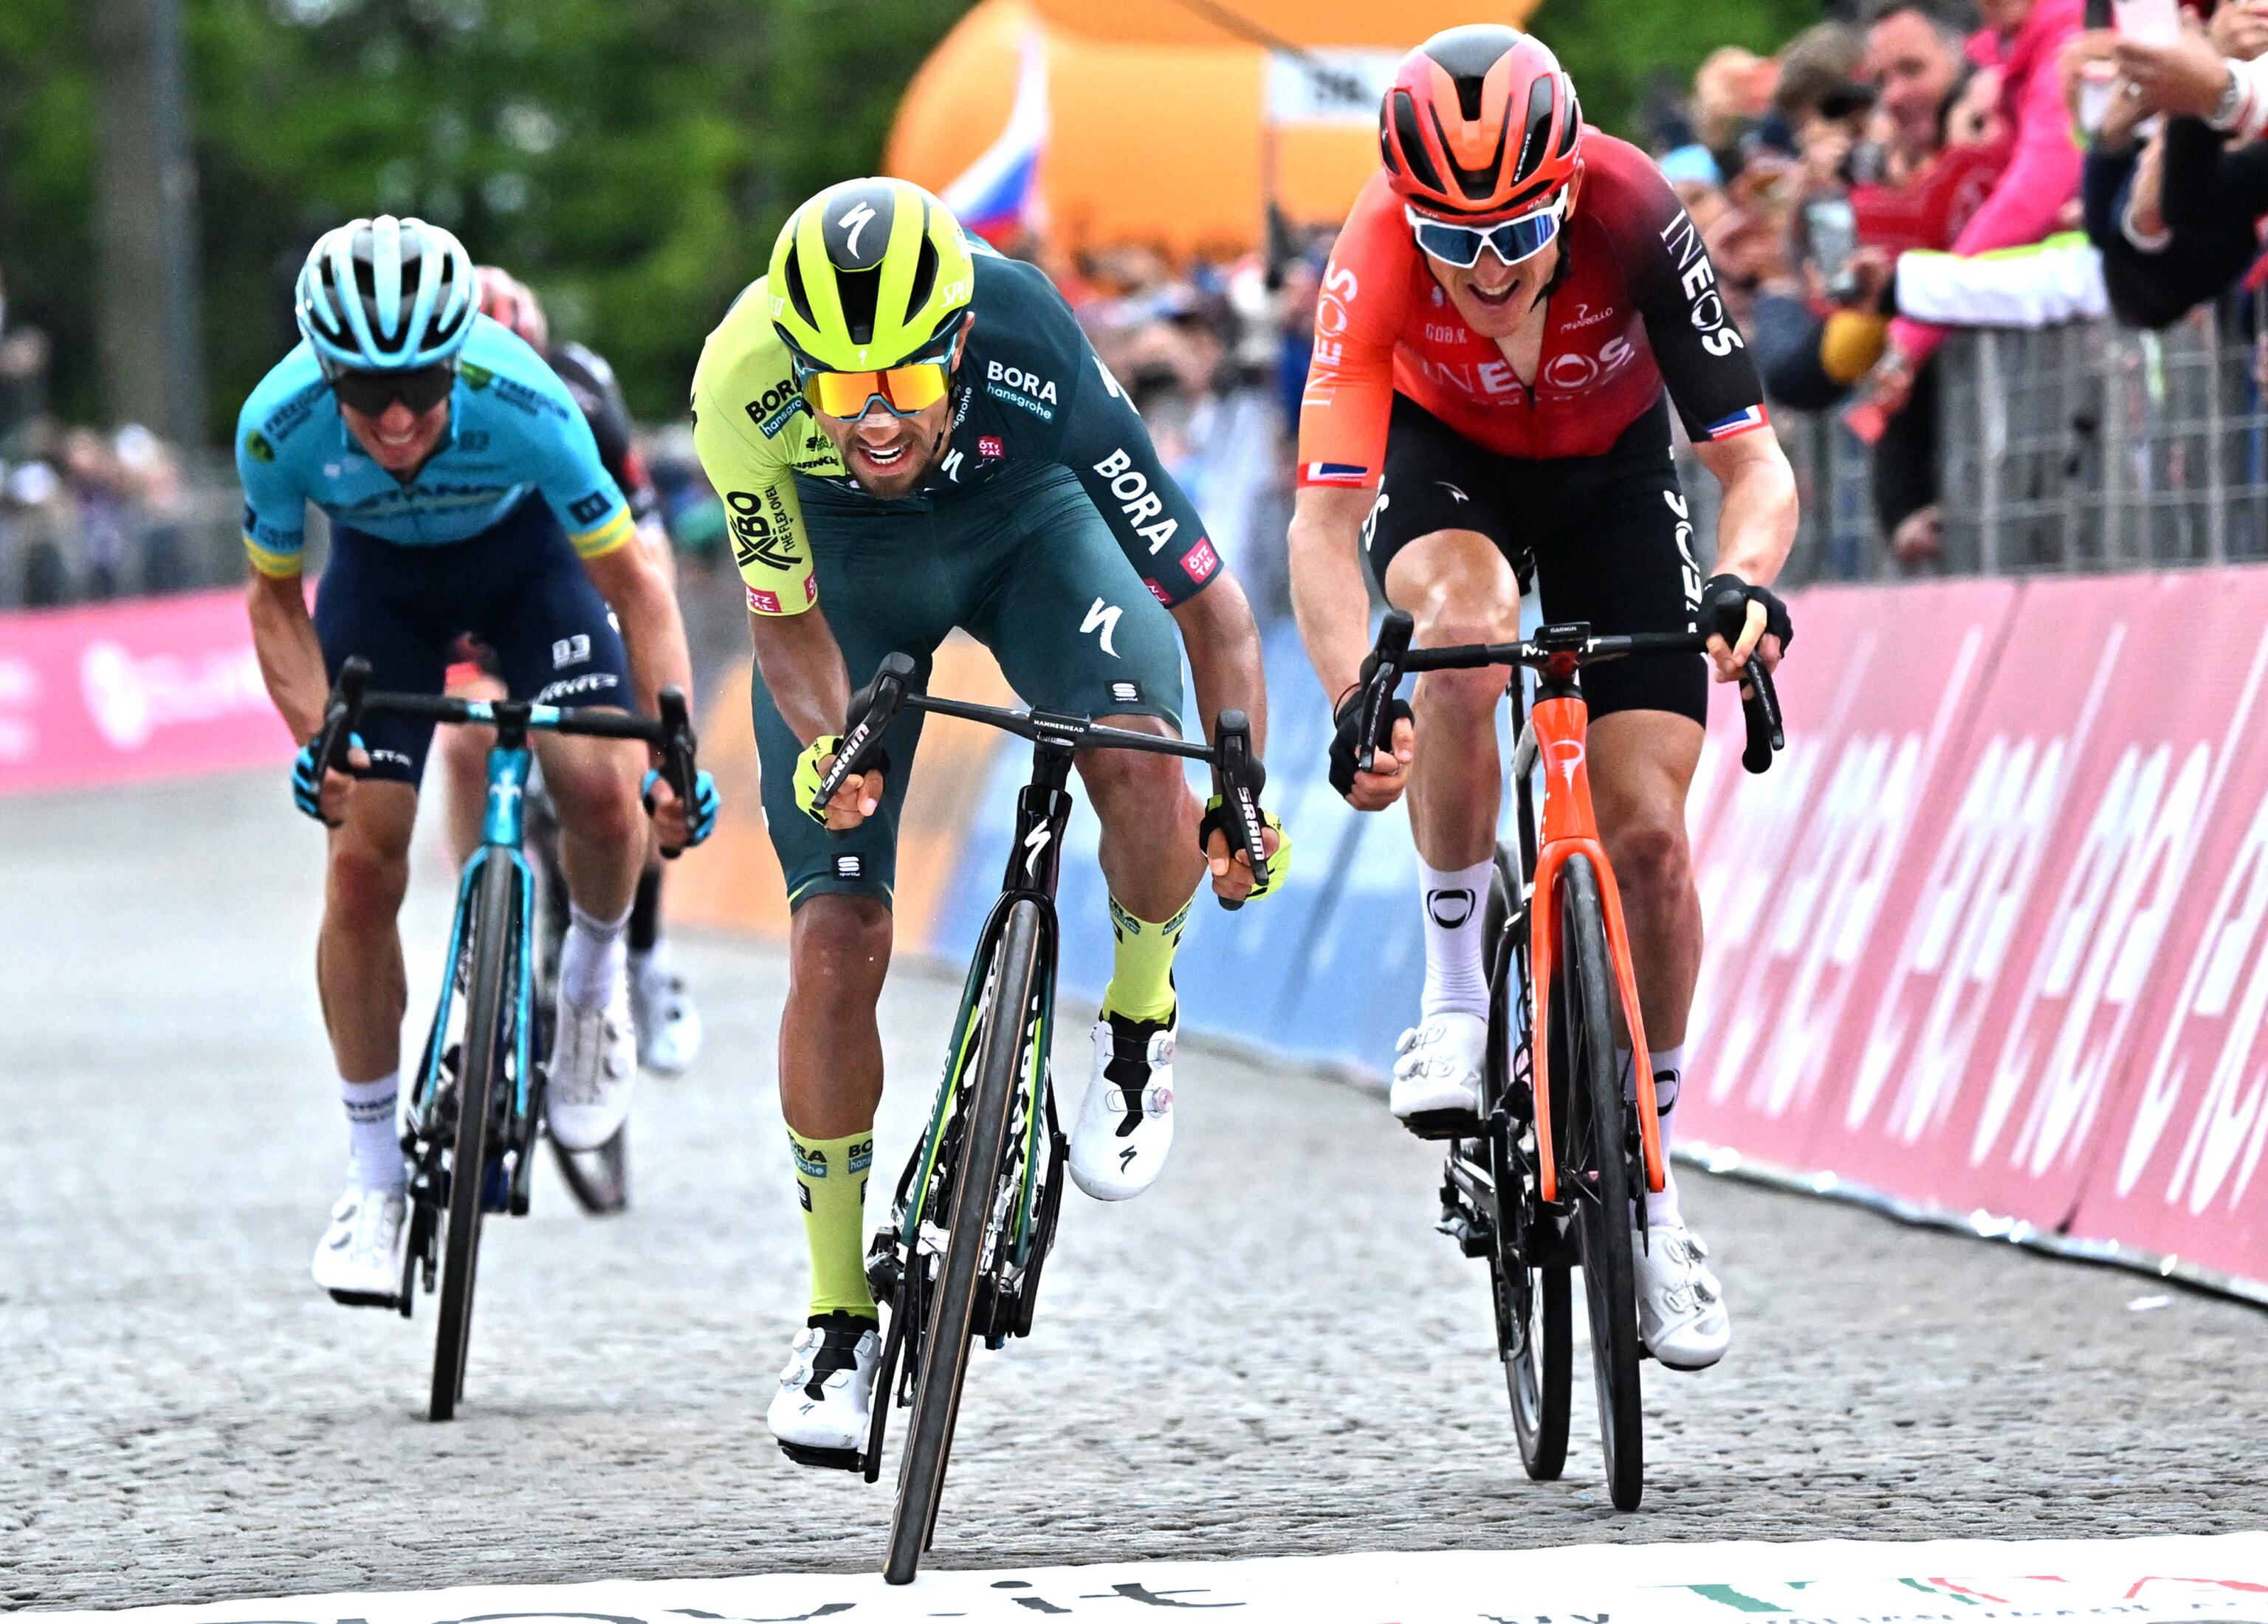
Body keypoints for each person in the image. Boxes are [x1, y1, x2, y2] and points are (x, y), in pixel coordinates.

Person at [689, 178, 1286, 1461]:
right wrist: (829, 747)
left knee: (1144, 758)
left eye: (907, 381)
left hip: (1026, 534)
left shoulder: (1028, 335)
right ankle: (837, 1318)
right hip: (843, 572)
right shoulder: (739, 382)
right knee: (833, 937)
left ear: (958, 341)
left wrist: (1241, 789)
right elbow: (782, 625)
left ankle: (1137, 1018)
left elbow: (1212, 606)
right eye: (842, 390)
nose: (877, 418)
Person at [1288, 27, 1798, 1372]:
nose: (1488, 270)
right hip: (1444, 461)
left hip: (1612, 479)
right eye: (1452, 242)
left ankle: (1656, 1200)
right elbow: (1319, 527)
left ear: (1567, 192)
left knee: (1650, 843)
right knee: (1465, 630)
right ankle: (1457, 993)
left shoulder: (1636, 209)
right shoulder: (1375, 250)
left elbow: (1753, 466)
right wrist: (1352, 697)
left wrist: (1743, 583)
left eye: (1516, 232)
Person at [238, 216, 715, 1307]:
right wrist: (316, 738)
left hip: (528, 570)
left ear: (459, 360)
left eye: (422, 386)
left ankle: (592, 987)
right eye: (368, 394)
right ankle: (373, 1180)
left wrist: (673, 746)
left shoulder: (530, 401)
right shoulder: (277, 423)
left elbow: (637, 586)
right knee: (361, 865)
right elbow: (273, 603)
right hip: (382, 591)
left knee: (598, 791)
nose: (398, 419)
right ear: (325, 374)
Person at [427, 265, 706, 1077]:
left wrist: (642, 659)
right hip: (476, 591)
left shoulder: (581, 396)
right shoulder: (424, 415)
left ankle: (644, 956)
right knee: (464, 740)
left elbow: (645, 549)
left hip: (577, 579)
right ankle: (480, 928)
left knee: (628, 766)